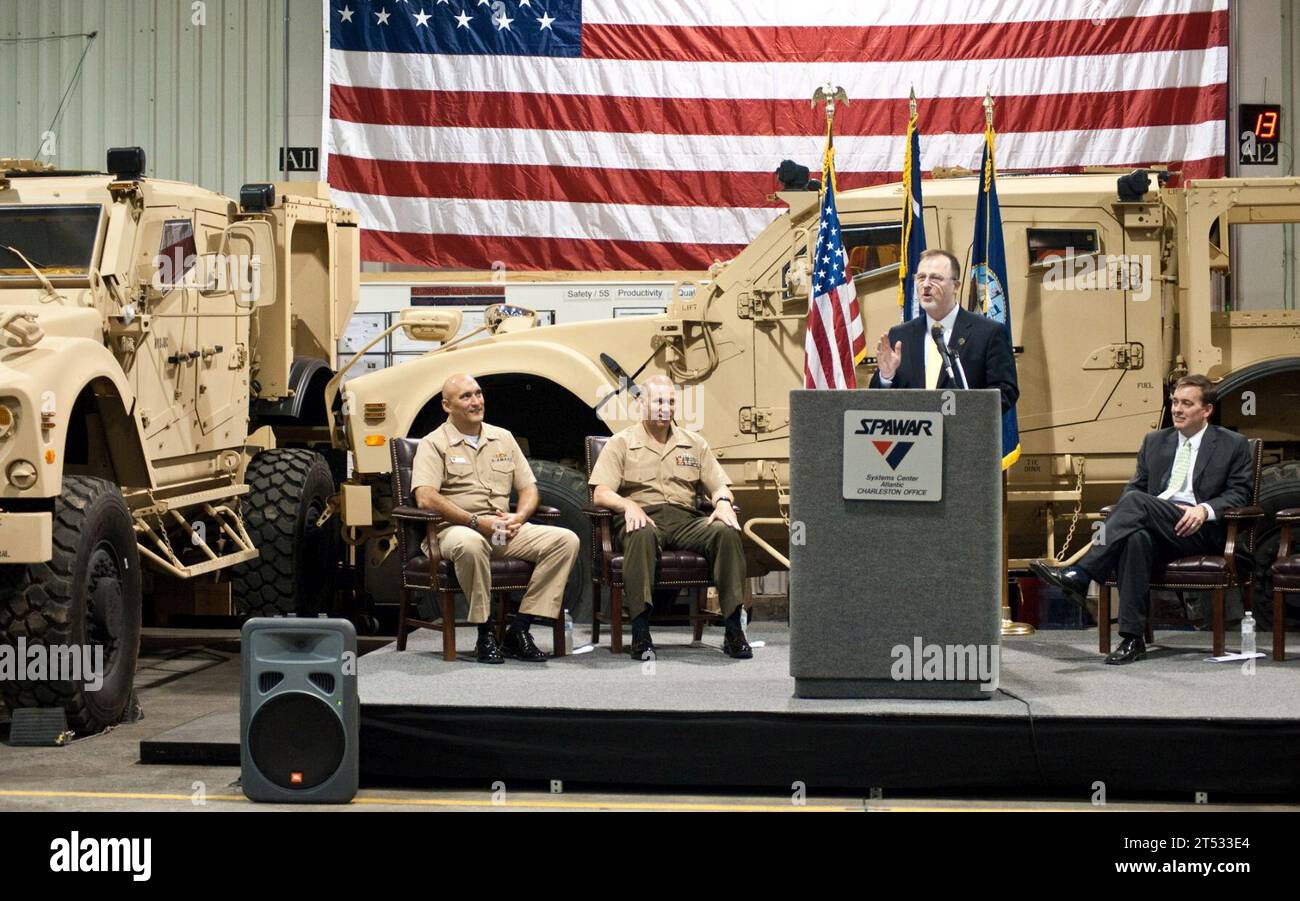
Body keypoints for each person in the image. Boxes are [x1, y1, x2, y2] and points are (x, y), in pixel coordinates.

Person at [1032, 375, 1253, 664]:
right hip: (1160, 525)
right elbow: (1135, 488)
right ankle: (1132, 639)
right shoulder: (1155, 441)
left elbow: (1241, 494)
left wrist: (1204, 510)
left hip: (1201, 531)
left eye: (1187, 403)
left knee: (1136, 503)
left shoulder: (1231, 444)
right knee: (1136, 538)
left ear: (1207, 410)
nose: (1177, 409)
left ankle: (1083, 573)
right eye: (1174, 402)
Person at [411, 373, 579, 664]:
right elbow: (425, 497)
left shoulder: (503, 437)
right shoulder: (434, 443)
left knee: (565, 540)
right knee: (471, 544)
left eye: (477, 393)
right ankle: (484, 632)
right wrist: (475, 521)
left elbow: (528, 487)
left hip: (501, 531)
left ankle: (520, 628)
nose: (476, 401)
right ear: (447, 406)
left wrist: (520, 515)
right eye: (466, 396)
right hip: (454, 530)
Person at [589, 375, 751, 661]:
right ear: (642, 404)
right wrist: (628, 505)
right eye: (658, 401)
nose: (665, 408)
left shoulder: (694, 443)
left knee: (726, 531)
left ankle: (733, 629)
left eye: (671, 402)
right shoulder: (622, 443)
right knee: (641, 533)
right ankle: (640, 629)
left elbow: (719, 486)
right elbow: (601, 494)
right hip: (643, 517)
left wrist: (724, 503)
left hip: (686, 520)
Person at [869, 248, 1019, 413]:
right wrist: (886, 376)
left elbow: (1006, 392)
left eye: (935, 278)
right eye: (921, 277)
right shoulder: (900, 335)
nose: (926, 285)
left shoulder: (988, 333)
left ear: (955, 286)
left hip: (964, 435)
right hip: (914, 437)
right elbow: (876, 401)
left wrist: (964, 414)